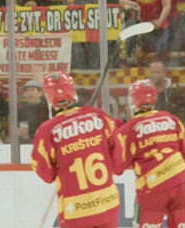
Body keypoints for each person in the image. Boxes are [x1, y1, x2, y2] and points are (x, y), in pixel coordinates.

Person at [31, 72, 120, 228]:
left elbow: (45, 174)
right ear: (73, 92)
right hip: (108, 203)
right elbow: (118, 155)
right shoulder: (99, 116)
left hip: (76, 210)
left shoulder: (47, 130)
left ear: (49, 98)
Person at [113, 79, 185, 228]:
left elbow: (118, 167)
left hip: (152, 190)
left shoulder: (129, 129)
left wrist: (116, 134)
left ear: (133, 100)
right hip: (179, 186)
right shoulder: (172, 119)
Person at [148, 60, 185, 140]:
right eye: (152, 72)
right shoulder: (145, 92)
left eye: (157, 72)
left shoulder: (175, 92)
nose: (154, 76)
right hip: (151, 137)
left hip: (173, 136)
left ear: (164, 73)